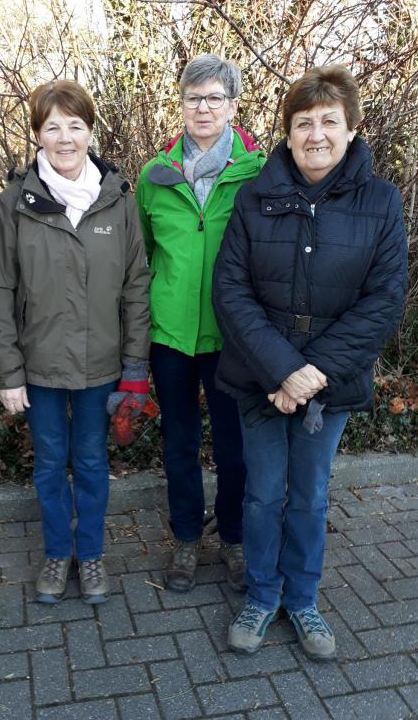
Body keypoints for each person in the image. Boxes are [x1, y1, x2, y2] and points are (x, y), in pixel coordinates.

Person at [213, 65, 408, 660]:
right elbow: (231, 290)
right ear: (287, 132)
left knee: (310, 497)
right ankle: (261, 593)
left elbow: (384, 299)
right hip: (260, 382)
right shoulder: (255, 196)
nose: (316, 134)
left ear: (351, 128)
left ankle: (302, 599)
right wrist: (281, 371)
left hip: (330, 387)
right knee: (263, 494)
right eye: (303, 123)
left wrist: (311, 374)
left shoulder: (381, 202)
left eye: (329, 121)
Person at [0, 79, 150, 605]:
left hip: (101, 368)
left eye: (75, 125)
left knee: (94, 464)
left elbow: (137, 286)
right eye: (53, 126)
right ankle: (58, 553)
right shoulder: (14, 204)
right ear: (38, 135)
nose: (66, 137)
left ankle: (91, 554)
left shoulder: (118, 200)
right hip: (40, 369)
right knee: (50, 464)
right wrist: (8, 373)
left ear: (90, 131)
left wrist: (134, 368)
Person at [135, 54, 266, 592]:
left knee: (235, 447)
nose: (203, 108)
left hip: (234, 336)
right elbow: (143, 255)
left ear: (233, 106)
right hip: (170, 336)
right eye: (193, 98)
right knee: (179, 442)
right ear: (181, 105)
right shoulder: (154, 175)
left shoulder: (258, 173)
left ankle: (233, 537)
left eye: (215, 98)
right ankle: (187, 538)